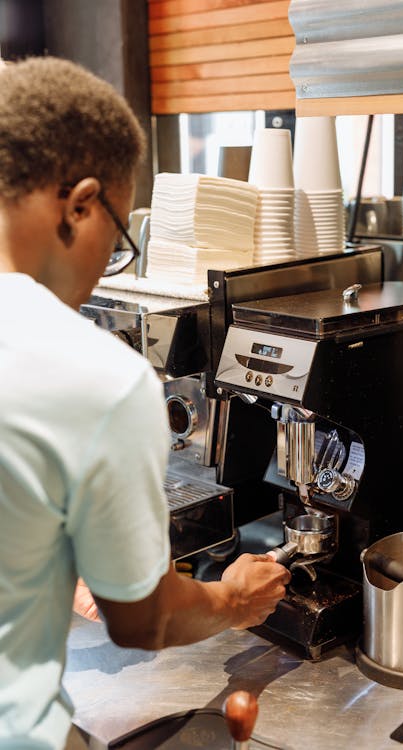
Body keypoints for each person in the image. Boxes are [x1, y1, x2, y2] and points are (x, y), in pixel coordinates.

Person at [0, 57, 290, 750]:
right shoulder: (99, 376)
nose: (109, 266)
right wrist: (236, 599)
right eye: (121, 237)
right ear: (80, 204)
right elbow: (143, 623)